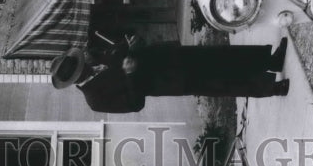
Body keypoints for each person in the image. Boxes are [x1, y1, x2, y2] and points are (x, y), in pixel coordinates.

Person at [51, 36, 289, 113]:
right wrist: (131, 74)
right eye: (81, 66)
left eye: (81, 61)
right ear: (77, 78)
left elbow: (124, 52)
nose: (86, 62)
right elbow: (134, 104)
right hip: (171, 81)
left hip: (170, 57)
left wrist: (131, 44)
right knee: (223, 83)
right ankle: (273, 88)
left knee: (221, 56)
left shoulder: (97, 58)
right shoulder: (95, 99)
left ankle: (270, 60)